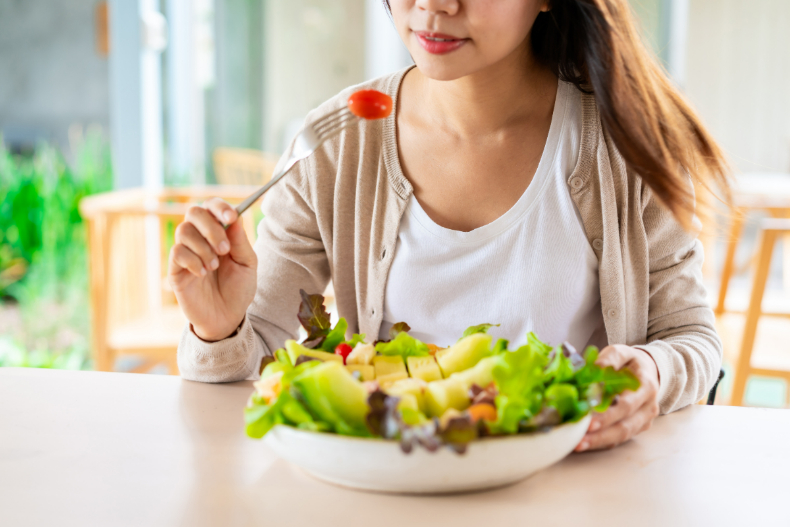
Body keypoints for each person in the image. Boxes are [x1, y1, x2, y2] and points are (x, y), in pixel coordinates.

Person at [169, 0, 729, 452]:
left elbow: (694, 340)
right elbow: (256, 357)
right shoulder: (335, 142)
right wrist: (218, 329)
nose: (433, 6)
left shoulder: (624, 143)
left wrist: (652, 373)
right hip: (390, 498)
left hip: (575, 496)